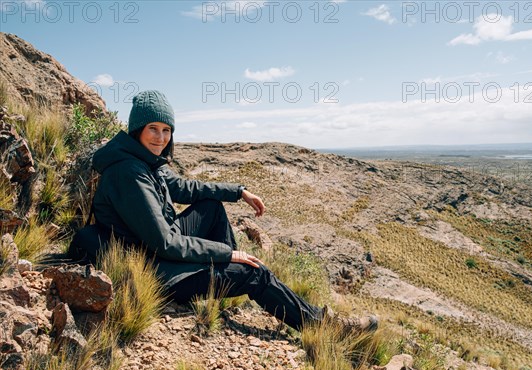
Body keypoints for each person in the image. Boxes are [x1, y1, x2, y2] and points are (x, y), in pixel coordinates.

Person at [71, 89, 377, 332]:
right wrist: (226, 253)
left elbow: (183, 189)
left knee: (211, 208)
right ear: (137, 129)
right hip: (153, 269)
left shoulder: (145, 162)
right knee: (252, 272)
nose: (161, 138)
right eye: (153, 128)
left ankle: (221, 281)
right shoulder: (130, 172)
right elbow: (165, 242)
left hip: (155, 249)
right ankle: (321, 326)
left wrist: (237, 192)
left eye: (167, 130)